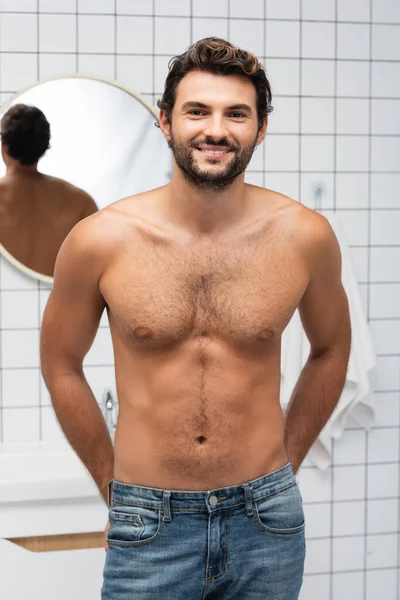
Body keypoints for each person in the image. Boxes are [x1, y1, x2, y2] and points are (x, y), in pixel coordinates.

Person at [40, 37, 351, 599]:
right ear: (165, 121)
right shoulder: (100, 240)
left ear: (260, 129)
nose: (216, 129)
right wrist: (116, 491)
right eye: (197, 111)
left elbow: (332, 350)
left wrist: (288, 464)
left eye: (237, 113)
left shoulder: (305, 236)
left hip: (268, 522)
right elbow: (61, 364)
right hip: (150, 522)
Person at [0, 104, 98, 276]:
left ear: (4, 145)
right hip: (58, 300)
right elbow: (94, 268)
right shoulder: (80, 201)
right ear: (44, 145)